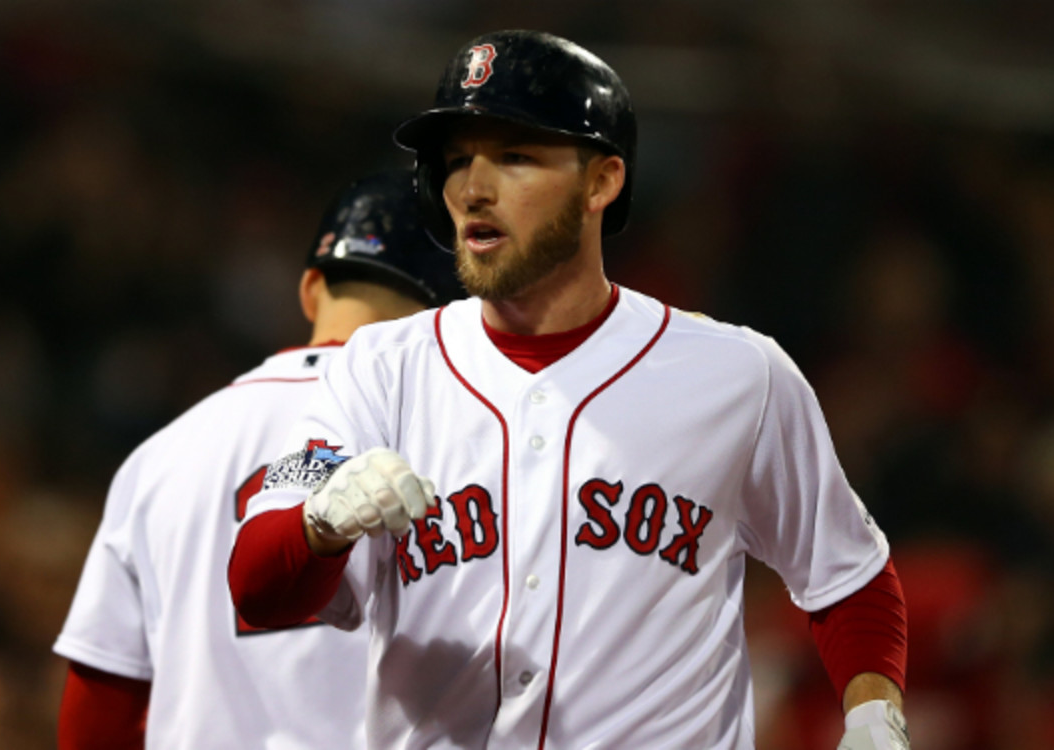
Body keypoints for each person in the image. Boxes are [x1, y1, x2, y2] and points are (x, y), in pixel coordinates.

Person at [229, 30, 910, 750]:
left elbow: (848, 576)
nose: (474, 187)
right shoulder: (377, 368)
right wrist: (321, 523)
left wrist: (874, 713)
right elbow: (257, 590)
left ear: (602, 181)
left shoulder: (739, 376)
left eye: (515, 156)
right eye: (458, 161)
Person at [54, 169, 465, 750]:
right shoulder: (453, 445)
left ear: (309, 289)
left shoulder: (159, 456)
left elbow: (98, 708)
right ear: (451, 314)